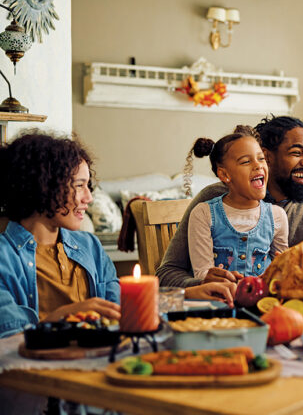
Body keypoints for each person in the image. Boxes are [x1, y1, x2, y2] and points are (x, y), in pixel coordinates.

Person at [0, 131, 236, 339]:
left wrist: (188, 294)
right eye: (79, 186)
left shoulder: (88, 245)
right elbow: (9, 336)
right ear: (43, 186)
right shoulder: (4, 257)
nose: (88, 198)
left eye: (88, 186)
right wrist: (59, 318)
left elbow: (120, 305)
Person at [157, 116, 303, 288]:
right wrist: (203, 284)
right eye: (296, 153)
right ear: (268, 156)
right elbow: (166, 273)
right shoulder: (213, 200)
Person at [187, 126, 289, 280]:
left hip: (262, 300)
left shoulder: (277, 215)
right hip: (219, 299)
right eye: (246, 161)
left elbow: (282, 269)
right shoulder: (203, 214)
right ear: (224, 174)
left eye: (261, 158)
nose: (258, 165)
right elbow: (202, 275)